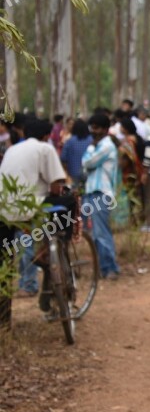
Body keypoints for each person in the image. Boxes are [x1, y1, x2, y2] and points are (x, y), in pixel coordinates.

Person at [0, 119, 68, 301]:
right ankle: (29, 284)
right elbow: (56, 184)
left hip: (4, 205)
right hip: (28, 206)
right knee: (27, 244)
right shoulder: (45, 148)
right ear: (46, 136)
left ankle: (5, 294)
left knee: (7, 252)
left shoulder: (12, 149)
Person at [82, 114, 121, 280]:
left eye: (96, 128)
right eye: (92, 127)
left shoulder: (106, 147)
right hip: (92, 191)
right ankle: (102, 268)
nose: (93, 131)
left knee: (101, 233)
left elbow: (88, 163)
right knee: (94, 233)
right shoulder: (98, 146)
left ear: (105, 130)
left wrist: (90, 149)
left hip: (101, 193)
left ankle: (110, 268)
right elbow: (85, 166)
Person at [60, 119, 93, 184]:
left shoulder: (69, 141)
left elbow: (63, 158)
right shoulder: (92, 140)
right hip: (89, 173)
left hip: (73, 173)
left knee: (75, 192)